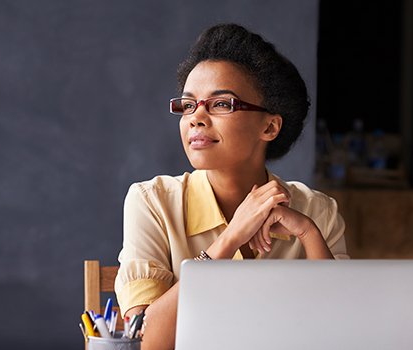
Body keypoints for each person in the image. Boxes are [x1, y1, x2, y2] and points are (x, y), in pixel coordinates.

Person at [114, 23, 348, 349]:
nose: (196, 117)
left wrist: (309, 234)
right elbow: (146, 341)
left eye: (222, 104)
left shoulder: (316, 210)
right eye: (188, 104)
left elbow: (343, 332)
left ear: (269, 126)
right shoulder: (152, 202)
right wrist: (230, 238)